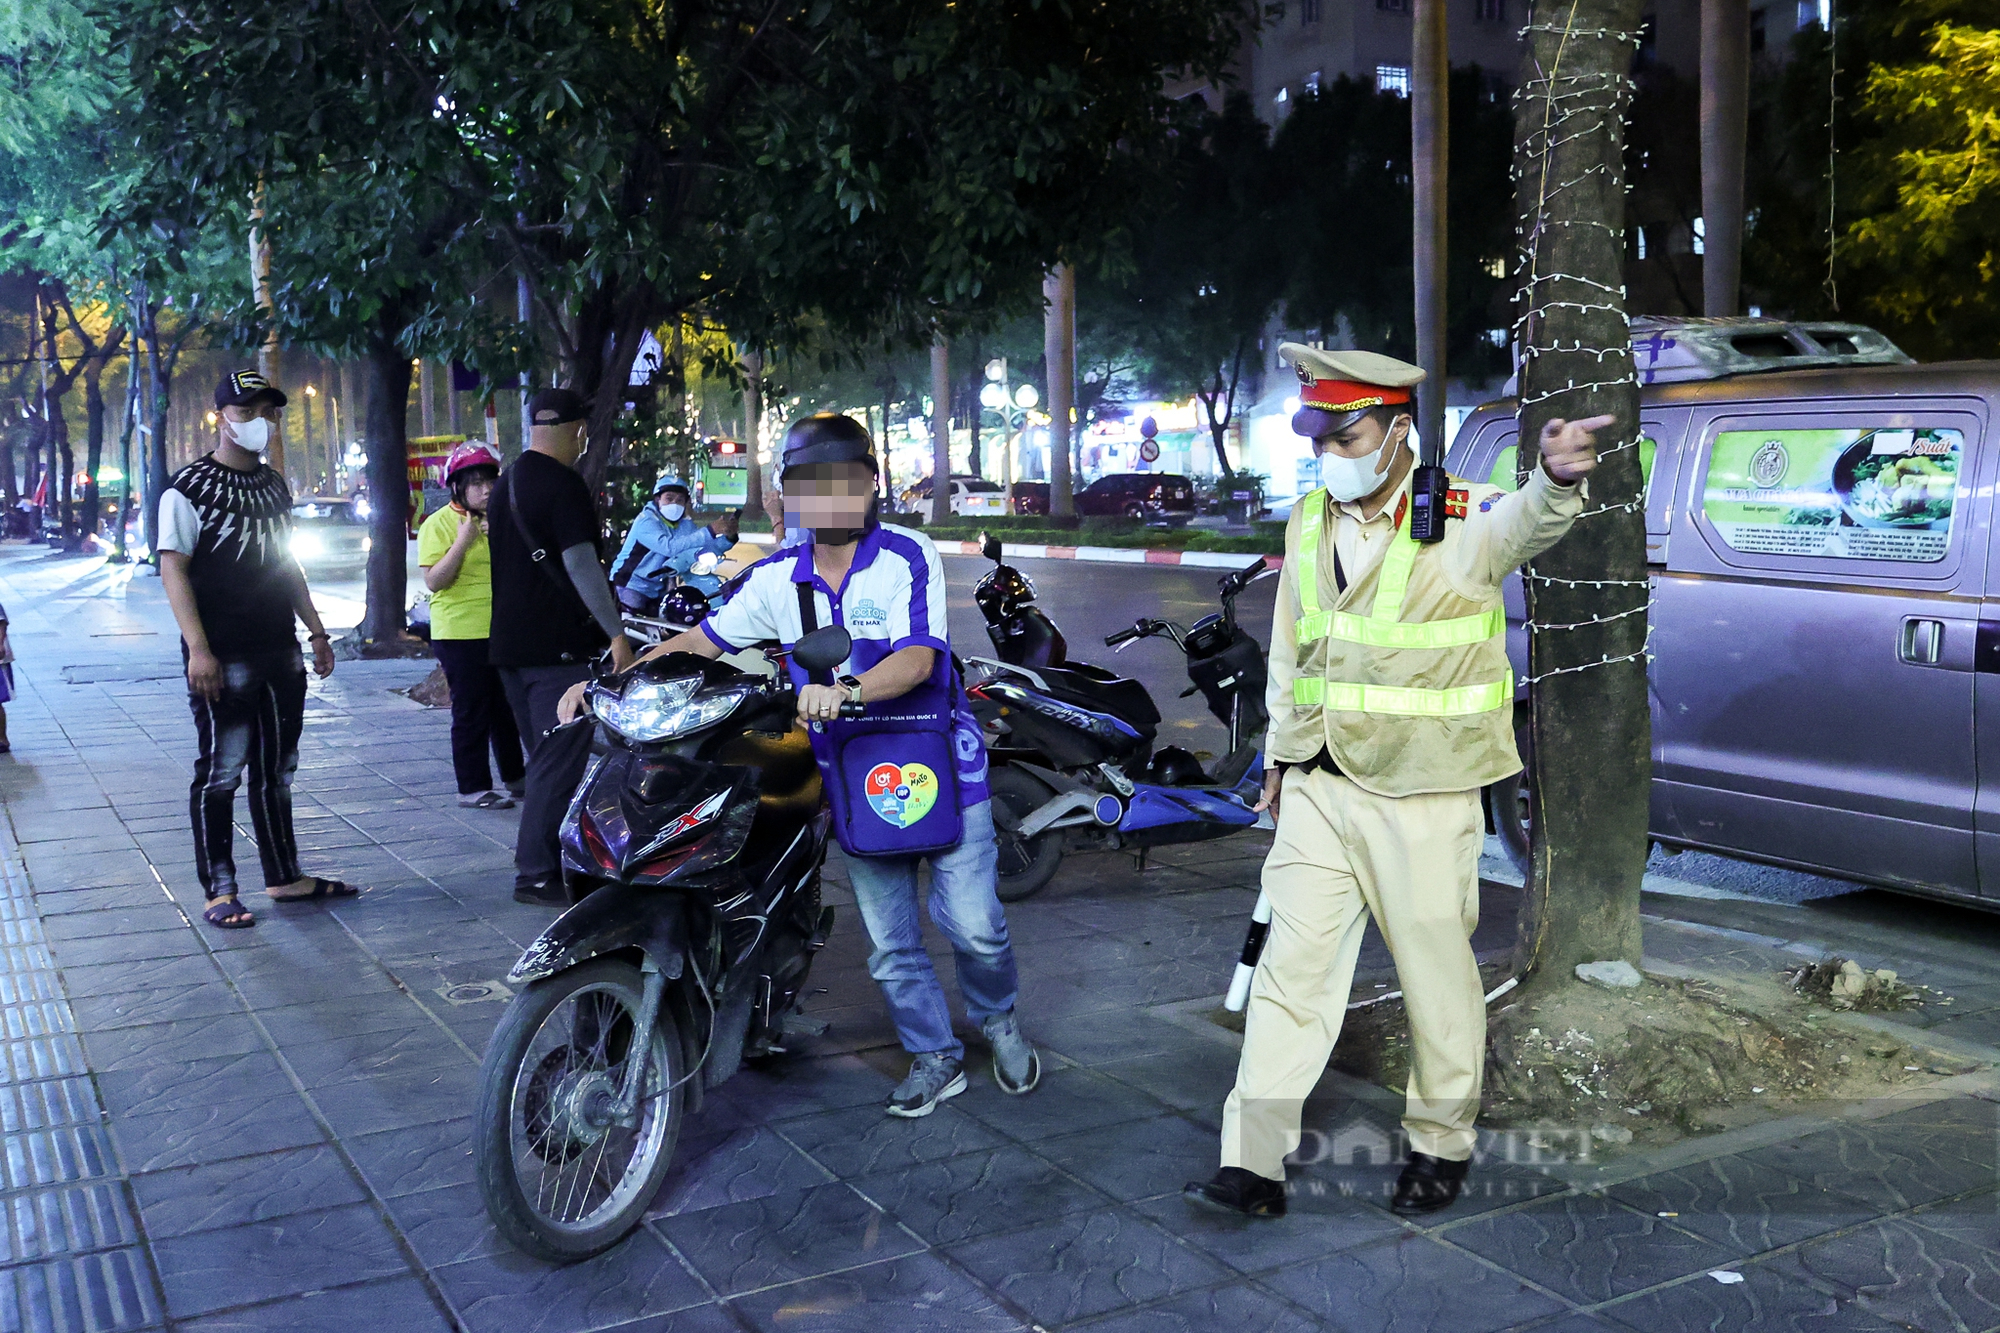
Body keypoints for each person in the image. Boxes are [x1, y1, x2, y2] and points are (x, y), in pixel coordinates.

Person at [1184, 347, 1609, 1219]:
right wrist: (1277, 758)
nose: (1330, 452)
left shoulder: (1464, 514)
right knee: (1288, 978)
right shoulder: (1308, 519)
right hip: (1317, 788)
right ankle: (1253, 1162)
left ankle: (1440, 1143)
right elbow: (1292, 652)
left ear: (1397, 431)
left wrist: (1557, 480)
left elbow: (1526, 523)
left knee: (1434, 977)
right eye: (1320, 437)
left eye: (1349, 434)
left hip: (1423, 790)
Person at [560, 413, 1041, 1116]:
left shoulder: (908, 554)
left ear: (871, 484)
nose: (829, 497)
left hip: (940, 764)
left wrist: (848, 689)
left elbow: (918, 657)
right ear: (787, 496)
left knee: (974, 922)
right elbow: (702, 638)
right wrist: (608, 679)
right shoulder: (777, 578)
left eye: (845, 480)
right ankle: (935, 1054)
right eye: (808, 483)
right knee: (891, 940)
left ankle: (997, 1016)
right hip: (854, 779)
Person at [158, 369, 363, 930]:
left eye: (269, 411)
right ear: (221, 416)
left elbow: (285, 562)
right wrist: (199, 649)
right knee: (221, 772)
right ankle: (218, 890)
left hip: (280, 649)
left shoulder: (274, 485)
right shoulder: (187, 488)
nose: (260, 422)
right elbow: (172, 570)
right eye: (247, 411)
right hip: (222, 655)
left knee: (278, 769)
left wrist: (317, 631)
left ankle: (285, 875)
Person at [487, 387, 638, 905]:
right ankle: (536, 875)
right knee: (556, 765)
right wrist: (616, 634)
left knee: (545, 761)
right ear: (577, 430)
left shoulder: (507, 482)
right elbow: (580, 564)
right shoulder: (564, 484)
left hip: (509, 648)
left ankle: (554, 861)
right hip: (557, 652)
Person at [418, 442, 526, 810]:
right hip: (460, 632)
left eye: (490, 481)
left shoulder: (506, 519)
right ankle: (473, 787)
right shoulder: (440, 524)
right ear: (457, 488)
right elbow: (435, 581)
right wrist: (463, 542)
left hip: (502, 628)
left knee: (506, 707)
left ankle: (516, 776)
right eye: (475, 483)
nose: (485, 489)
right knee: (471, 709)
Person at [610, 474, 739, 611]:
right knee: (631, 625)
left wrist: (728, 538)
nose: (674, 504)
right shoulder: (646, 521)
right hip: (630, 585)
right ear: (658, 499)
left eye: (679, 500)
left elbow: (700, 547)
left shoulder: (684, 525)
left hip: (659, 587)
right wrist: (709, 531)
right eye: (669, 498)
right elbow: (669, 547)